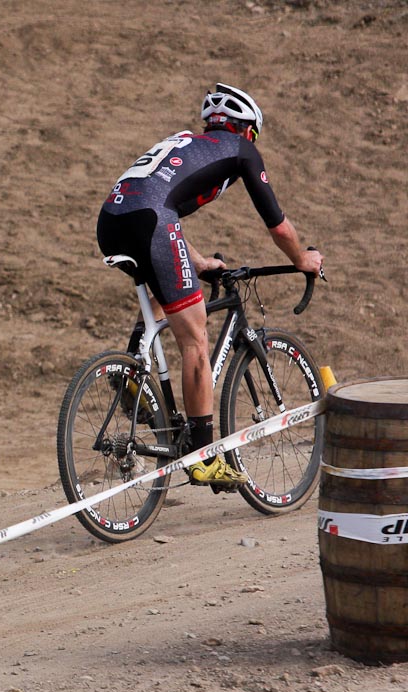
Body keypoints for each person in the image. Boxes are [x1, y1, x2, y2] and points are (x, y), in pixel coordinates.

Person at [96, 83, 325, 487]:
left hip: (112, 219)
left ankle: (133, 371)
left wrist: (198, 261)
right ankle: (203, 455)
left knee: (166, 291)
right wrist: (303, 260)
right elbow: (278, 224)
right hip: (150, 220)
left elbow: (158, 207)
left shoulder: (185, 144)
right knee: (195, 337)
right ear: (247, 129)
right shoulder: (240, 149)